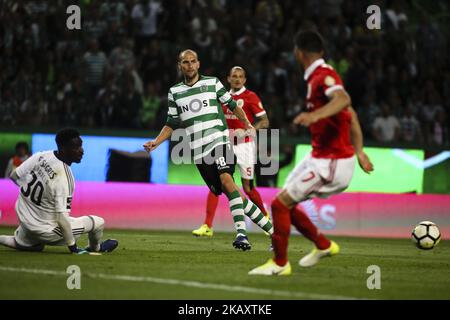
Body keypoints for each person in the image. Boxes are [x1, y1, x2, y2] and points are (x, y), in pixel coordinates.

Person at [249, 30, 373, 275]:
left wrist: (315, 115)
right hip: (319, 156)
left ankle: (280, 264)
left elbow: (343, 98)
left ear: (298, 52)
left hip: (333, 162)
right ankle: (323, 245)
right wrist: (360, 151)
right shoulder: (315, 77)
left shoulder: (323, 76)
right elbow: (352, 114)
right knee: (285, 201)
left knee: (279, 204)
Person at [143, 49, 274, 251]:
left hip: (219, 141)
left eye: (192, 61)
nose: (189, 65)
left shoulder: (212, 83)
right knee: (232, 192)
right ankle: (275, 233)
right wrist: (157, 141)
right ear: (180, 66)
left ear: (198, 64)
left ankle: (241, 235)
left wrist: (246, 122)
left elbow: (231, 105)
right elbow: (171, 122)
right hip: (199, 152)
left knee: (227, 180)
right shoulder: (174, 92)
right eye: (185, 62)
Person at [0, 128, 118, 254]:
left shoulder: (41, 155)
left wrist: (29, 191)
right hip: (45, 230)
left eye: (81, 146)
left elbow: (14, 175)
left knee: (35, 247)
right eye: (76, 147)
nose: (81, 150)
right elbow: (62, 219)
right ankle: (97, 248)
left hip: (25, 221)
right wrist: (73, 248)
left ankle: (29, 242)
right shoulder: (64, 177)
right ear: (63, 149)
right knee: (98, 222)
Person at [192, 66, 270, 237]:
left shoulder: (251, 97)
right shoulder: (221, 96)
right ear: (228, 79)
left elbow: (264, 121)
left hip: (245, 146)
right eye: (234, 76)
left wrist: (250, 129)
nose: (237, 79)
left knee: (248, 187)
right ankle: (207, 225)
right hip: (224, 143)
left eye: (240, 76)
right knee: (217, 183)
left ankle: (265, 218)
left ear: (245, 80)